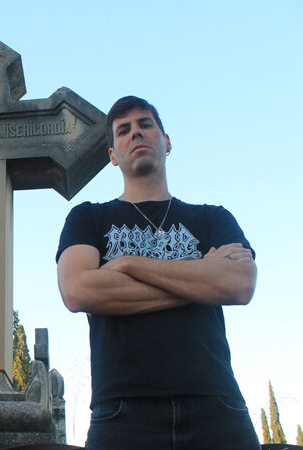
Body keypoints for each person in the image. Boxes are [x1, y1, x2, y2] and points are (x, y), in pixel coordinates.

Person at [56, 96, 259, 449]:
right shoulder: (88, 218)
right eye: (123, 130)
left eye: (145, 124)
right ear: (113, 155)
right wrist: (202, 277)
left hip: (216, 405)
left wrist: (127, 264)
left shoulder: (212, 217)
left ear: (166, 141)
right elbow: (78, 291)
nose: (135, 133)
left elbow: (240, 284)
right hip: (122, 413)